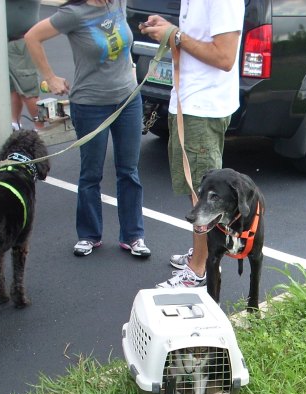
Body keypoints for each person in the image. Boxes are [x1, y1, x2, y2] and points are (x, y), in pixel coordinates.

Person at [25, 0, 151, 258]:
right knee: (91, 173)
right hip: (91, 104)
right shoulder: (74, 13)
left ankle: (133, 236)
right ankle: (89, 235)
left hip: (128, 99)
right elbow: (32, 37)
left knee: (129, 171)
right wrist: (50, 77)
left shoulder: (117, 3)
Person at [140, 0, 244, 287]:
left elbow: (225, 57)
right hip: (190, 103)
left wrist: (175, 35)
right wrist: (170, 30)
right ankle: (201, 255)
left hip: (202, 107)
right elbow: (198, 37)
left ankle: (200, 269)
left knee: (204, 196)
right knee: (195, 190)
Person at [6, 0, 44, 131]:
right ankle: (15, 124)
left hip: (21, 42)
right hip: (7, 41)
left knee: (29, 89)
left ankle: (40, 129)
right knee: (13, 88)